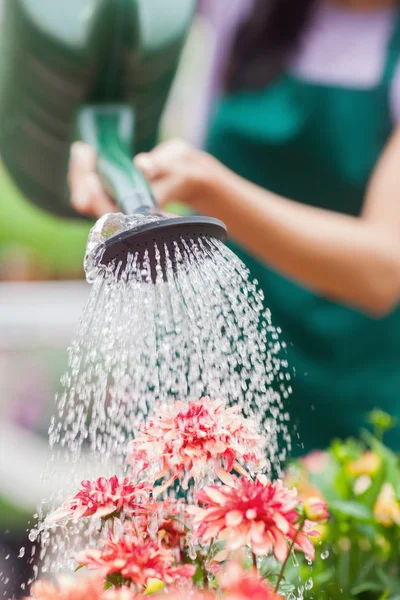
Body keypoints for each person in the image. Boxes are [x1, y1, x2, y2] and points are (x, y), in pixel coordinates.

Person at [68, 0, 400, 455]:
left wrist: (209, 187)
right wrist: (92, 138)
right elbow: (100, 24)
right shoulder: (239, 9)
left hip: (351, 387)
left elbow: (384, 269)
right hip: (207, 356)